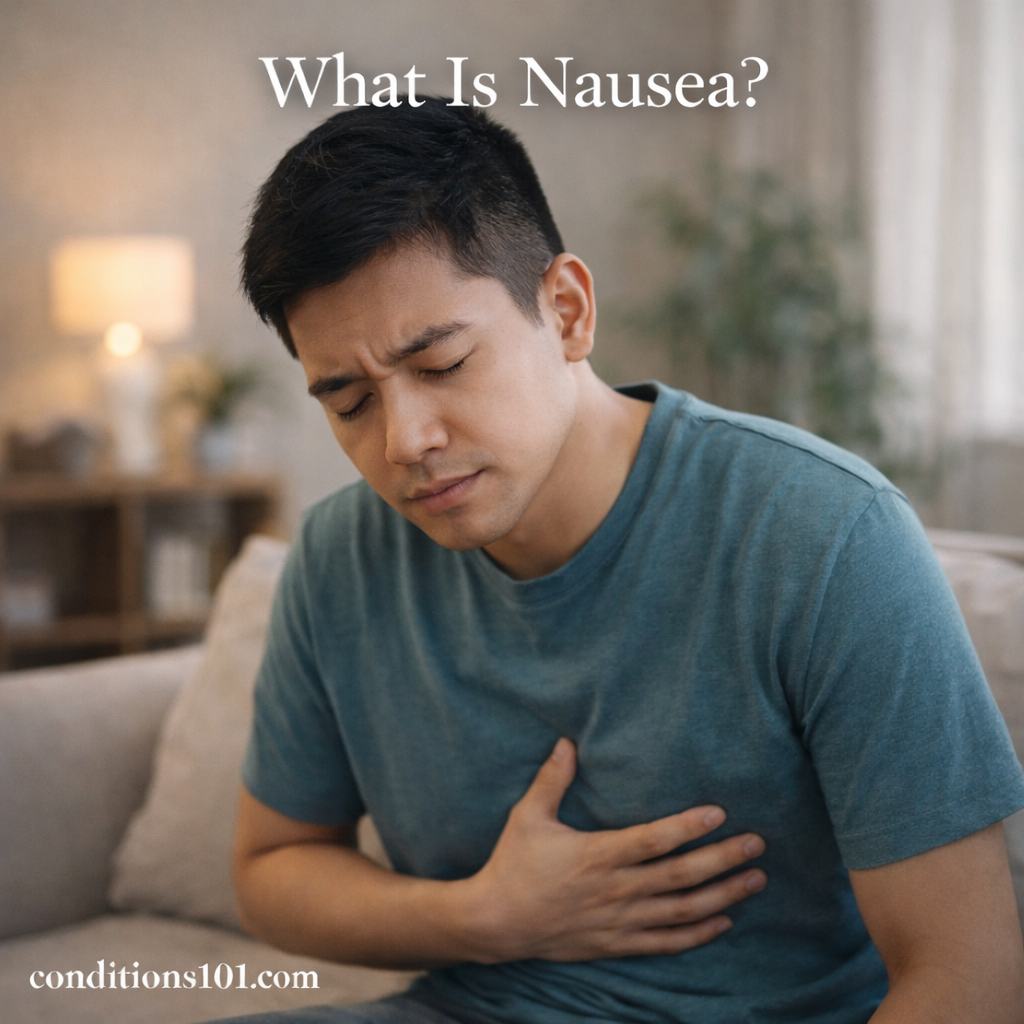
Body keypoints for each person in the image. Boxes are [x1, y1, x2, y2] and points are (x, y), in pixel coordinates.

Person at [219, 98, 1024, 1024]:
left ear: (565, 310)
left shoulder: (826, 535)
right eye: (351, 400)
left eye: (440, 366)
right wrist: (484, 917)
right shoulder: (337, 560)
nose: (405, 440)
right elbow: (271, 869)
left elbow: (971, 975)